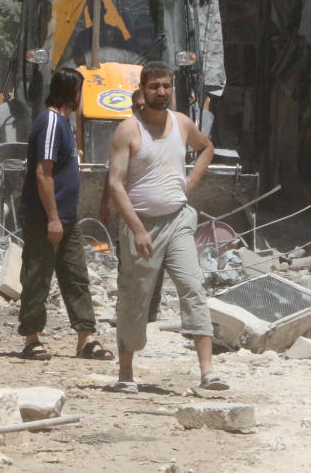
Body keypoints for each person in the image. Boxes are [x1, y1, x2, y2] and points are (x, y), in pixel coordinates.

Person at [107, 61, 226, 393]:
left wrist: (187, 183)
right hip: (140, 227)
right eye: (155, 86)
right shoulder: (128, 131)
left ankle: (207, 372)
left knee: (192, 287)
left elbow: (207, 149)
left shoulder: (183, 124)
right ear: (143, 90)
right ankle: (127, 375)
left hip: (177, 221)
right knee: (135, 297)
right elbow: (116, 185)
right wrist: (138, 230)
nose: (161, 92)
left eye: (166, 86)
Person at [17, 67, 112, 361]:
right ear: (72, 92)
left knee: (76, 277)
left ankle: (86, 338)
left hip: (66, 219)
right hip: (45, 219)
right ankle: (31, 338)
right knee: (37, 276)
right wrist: (53, 218)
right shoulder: (51, 122)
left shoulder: (65, 125)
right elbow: (43, 173)